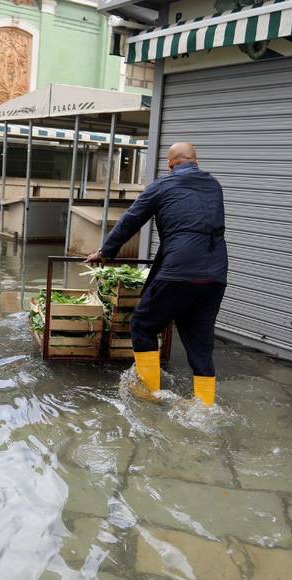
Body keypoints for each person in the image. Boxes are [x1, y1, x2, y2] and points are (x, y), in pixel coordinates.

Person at [86, 143, 227, 406]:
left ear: (170, 164)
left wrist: (105, 252)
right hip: (215, 274)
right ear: (195, 161)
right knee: (200, 342)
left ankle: (151, 394)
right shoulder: (214, 186)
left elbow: (131, 219)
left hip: (179, 270)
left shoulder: (162, 186)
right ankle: (206, 406)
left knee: (143, 324)